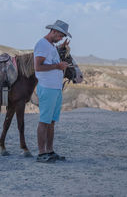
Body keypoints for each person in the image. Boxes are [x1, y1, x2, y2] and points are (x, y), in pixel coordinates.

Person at [33, 20, 71, 163]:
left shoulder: (51, 46)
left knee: (52, 121)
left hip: (55, 88)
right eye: (60, 35)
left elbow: (49, 59)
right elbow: (38, 67)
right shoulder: (42, 44)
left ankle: (50, 150)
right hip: (47, 87)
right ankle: (41, 153)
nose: (61, 38)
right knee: (44, 121)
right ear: (53, 31)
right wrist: (58, 66)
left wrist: (61, 48)